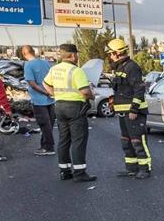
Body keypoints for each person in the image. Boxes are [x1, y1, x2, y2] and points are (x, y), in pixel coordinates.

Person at [43, 44, 97, 182]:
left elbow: (46, 84)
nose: (77, 56)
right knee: (78, 140)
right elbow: (85, 91)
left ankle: (64, 171)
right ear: (73, 55)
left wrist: (55, 95)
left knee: (63, 139)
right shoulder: (76, 71)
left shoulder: (54, 69)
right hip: (75, 107)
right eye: (77, 54)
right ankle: (79, 173)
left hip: (59, 106)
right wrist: (92, 95)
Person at [106, 38, 151, 179]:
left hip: (134, 113)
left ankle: (145, 168)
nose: (110, 57)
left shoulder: (132, 67)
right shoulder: (119, 68)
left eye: (111, 54)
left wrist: (134, 109)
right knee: (126, 141)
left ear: (117, 53)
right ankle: (131, 168)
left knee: (138, 141)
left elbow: (139, 90)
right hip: (123, 111)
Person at [21, 44, 55, 156]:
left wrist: (45, 92)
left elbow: (33, 84)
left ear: (24, 54)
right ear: (33, 52)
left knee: (44, 124)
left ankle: (48, 147)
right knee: (49, 124)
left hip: (39, 100)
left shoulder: (28, 65)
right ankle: (44, 145)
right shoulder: (45, 63)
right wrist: (50, 92)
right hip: (50, 99)